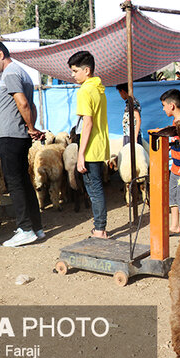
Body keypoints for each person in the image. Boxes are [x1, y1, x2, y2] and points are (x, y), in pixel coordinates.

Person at [0, 40, 45, 247]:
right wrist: (31, 126)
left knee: (14, 182)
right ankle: (36, 227)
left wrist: (31, 128)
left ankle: (25, 229)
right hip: (18, 135)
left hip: (12, 136)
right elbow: (31, 104)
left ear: (0, 54)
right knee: (23, 181)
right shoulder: (22, 72)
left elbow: (24, 103)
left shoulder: (10, 73)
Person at [68, 51, 110, 239]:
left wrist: (80, 154)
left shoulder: (85, 91)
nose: (72, 75)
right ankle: (100, 227)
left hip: (90, 147)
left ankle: (100, 229)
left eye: (75, 71)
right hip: (100, 145)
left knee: (94, 189)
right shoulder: (99, 88)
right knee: (97, 187)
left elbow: (88, 123)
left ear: (86, 70)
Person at [160, 89, 180, 235]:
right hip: (175, 168)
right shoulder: (174, 123)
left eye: (164, 105)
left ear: (171, 106)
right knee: (173, 196)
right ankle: (175, 226)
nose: (163, 109)